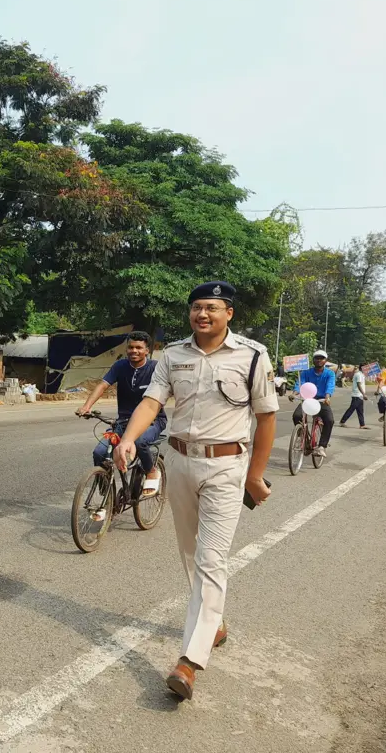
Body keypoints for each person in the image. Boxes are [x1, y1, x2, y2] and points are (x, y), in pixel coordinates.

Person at [114, 281, 277, 701]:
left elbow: (267, 417)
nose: (202, 314)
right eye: (196, 308)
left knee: (210, 557)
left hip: (227, 466)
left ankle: (189, 660)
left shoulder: (253, 355)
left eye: (211, 308)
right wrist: (129, 439)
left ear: (229, 314)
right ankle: (214, 623)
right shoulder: (172, 356)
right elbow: (151, 403)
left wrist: (255, 475)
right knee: (189, 550)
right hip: (181, 462)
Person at [77, 331, 167, 495]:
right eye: (131, 347)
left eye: (139, 347)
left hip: (153, 421)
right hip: (123, 422)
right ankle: (107, 493)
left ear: (147, 350)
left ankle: (151, 471)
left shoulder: (155, 368)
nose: (134, 351)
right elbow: (103, 385)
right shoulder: (120, 366)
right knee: (99, 453)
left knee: (139, 442)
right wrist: (86, 406)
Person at [292, 350, 336, 457]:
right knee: (297, 415)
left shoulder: (329, 373)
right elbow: (300, 383)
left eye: (322, 358)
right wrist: (294, 393)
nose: (319, 360)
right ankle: (302, 435)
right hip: (307, 398)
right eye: (317, 358)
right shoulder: (306, 372)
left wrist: (327, 397)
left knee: (329, 420)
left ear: (325, 361)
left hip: (322, 400)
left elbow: (330, 386)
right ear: (313, 360)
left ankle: (322, 446)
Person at [339, 363, 368, 429]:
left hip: (359, 395)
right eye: (365, 367)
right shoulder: (359, 375)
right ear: (362, 368)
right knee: (351, 409)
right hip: (357, 395)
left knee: (360, 410)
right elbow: (358, 384)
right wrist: (364, 394)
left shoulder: (361, 375)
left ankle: (362, 424)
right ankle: (342, 422)